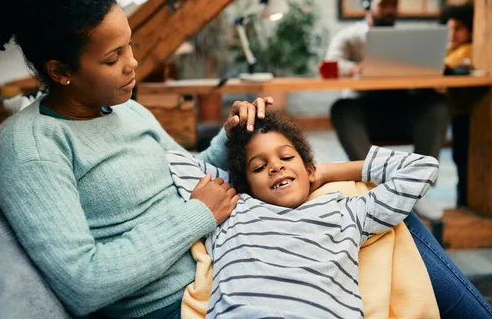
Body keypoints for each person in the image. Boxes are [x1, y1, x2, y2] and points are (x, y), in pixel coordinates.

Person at [0, 0, 492, 319]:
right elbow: (83, 283)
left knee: (387, 216)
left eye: (131, 47)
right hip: (189, 293)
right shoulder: (33, 145)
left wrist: (230, 140)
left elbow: (186, 171)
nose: (133, 65)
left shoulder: (121, 108)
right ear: (60, 71)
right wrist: (196, 216)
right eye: (113, 57)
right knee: (383, 226)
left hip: (230, 244)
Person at [168, 112, 440, 317]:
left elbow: (421, 168)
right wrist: (231, 132)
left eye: (286, 158)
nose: (275, 167)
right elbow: (174, 160)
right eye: (259, 167)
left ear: (308, 167)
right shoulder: (232, 208)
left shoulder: (345, 211)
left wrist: (324, 171)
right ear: (245, 185)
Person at [325, 0, 450, 219]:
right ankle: (379, 188)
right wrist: (354, 68)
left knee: (436, 105)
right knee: (341, 108)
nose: (391, 9)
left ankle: (417, 189)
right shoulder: (349, 37)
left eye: (395, 4)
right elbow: (330, 64)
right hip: (365, 111)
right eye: (384, 3)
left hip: (402, 109)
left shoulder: (408, 39)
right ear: (367, 3)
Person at [439, 3, 475, 207]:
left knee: (463, 158)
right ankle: (463, 200)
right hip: (459, 114)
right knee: (460, 158)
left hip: (467, 114)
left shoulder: (466, 52)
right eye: (448, 28)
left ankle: (465, 202)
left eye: (458, 28)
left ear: (470, 30)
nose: (452, 34)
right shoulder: (450, 52)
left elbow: (445, 67)